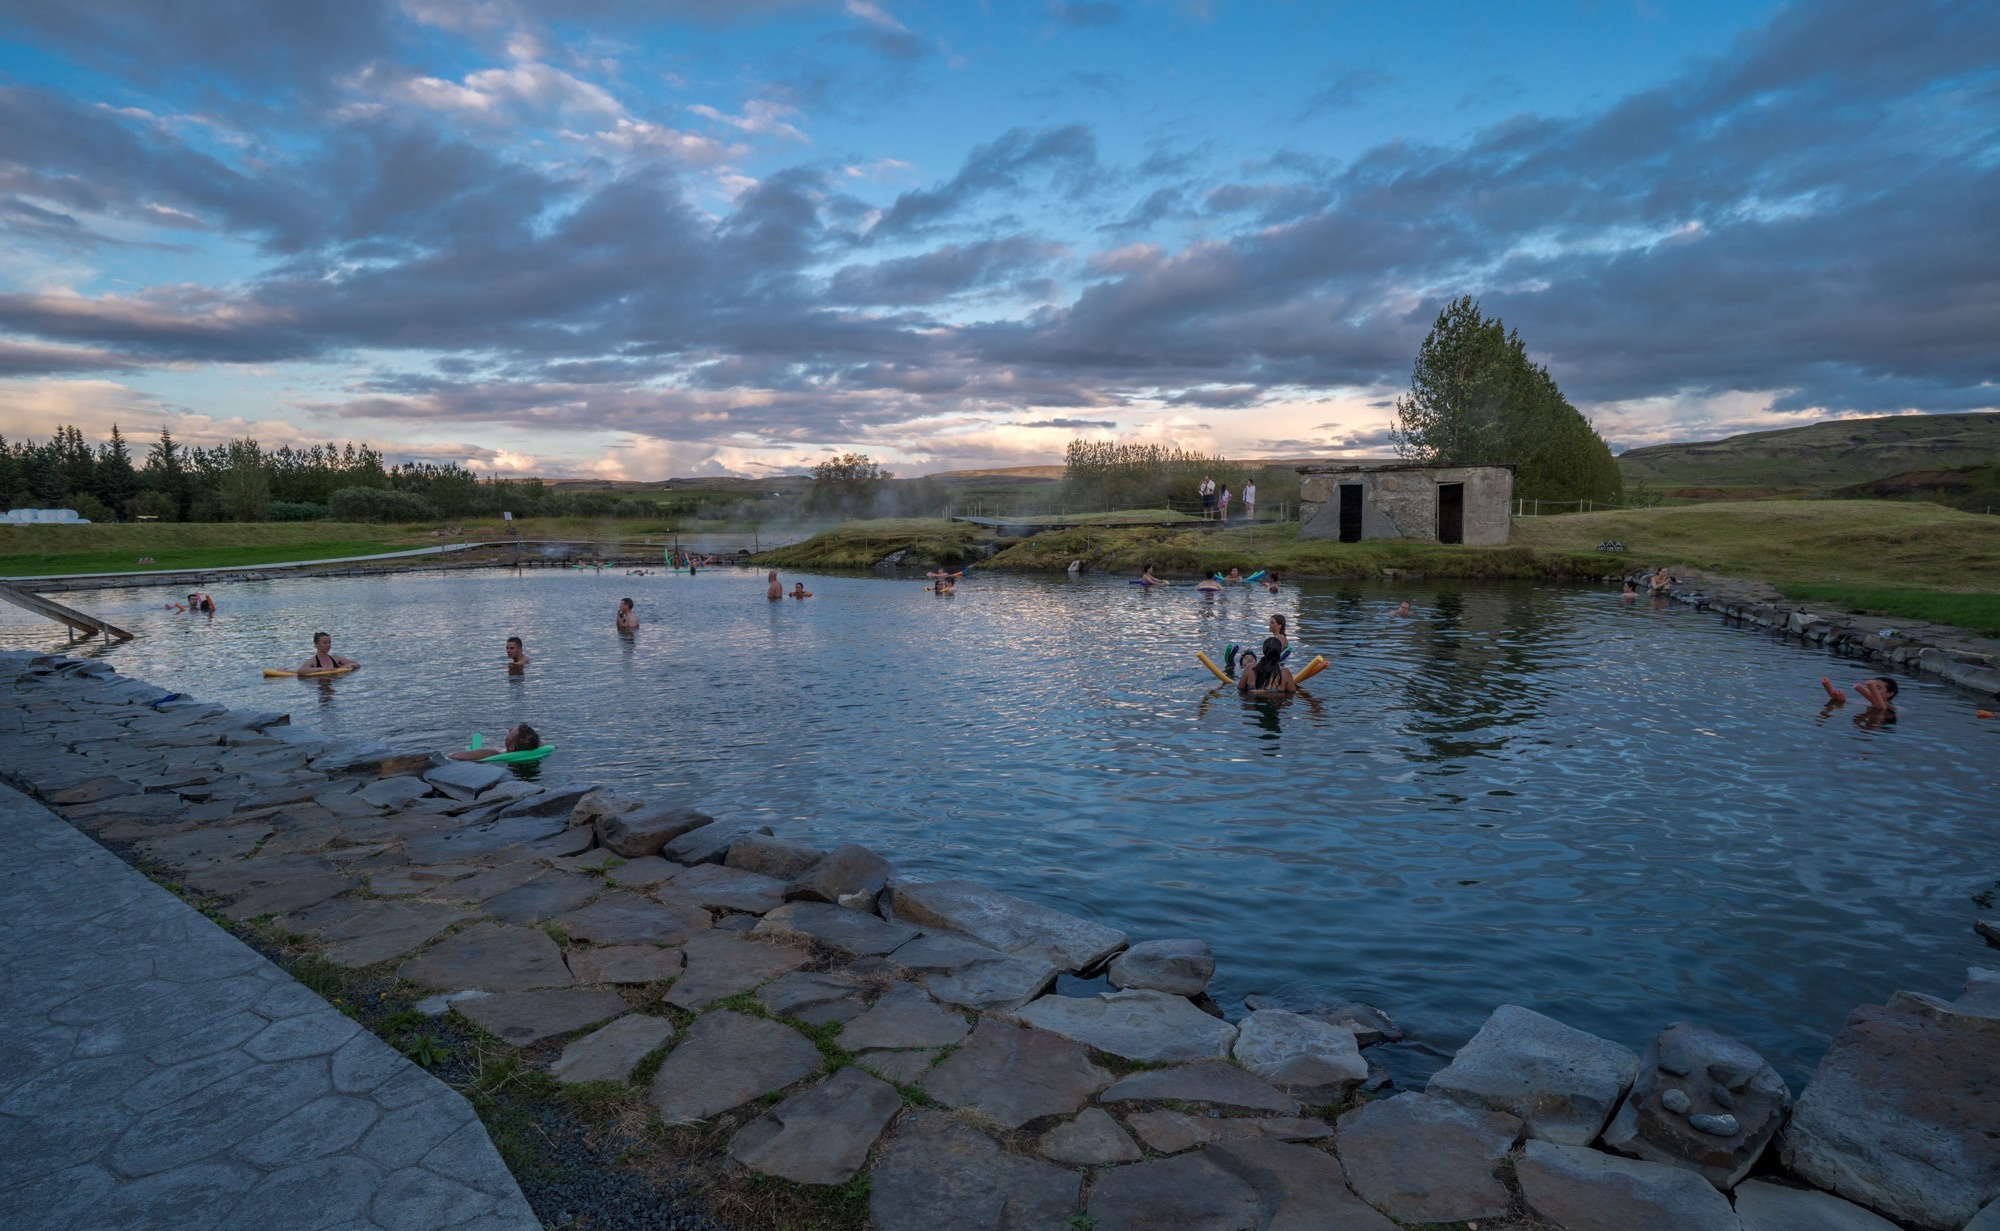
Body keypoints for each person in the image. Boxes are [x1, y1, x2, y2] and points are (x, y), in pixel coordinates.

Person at [448, 723, 541, 761]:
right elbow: (541, 741)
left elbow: (454, 756)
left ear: (511, 747)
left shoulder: (493, 753)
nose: (509, 730)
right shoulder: (533, 745)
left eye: (511, 732)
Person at [1823, 676, 1898, 709]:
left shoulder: (1895, 709)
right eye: (1870, 687)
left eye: (1877, 688)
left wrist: (1887, 710)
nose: (1871, 690)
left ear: (1890, 694)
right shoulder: (1862, 702)